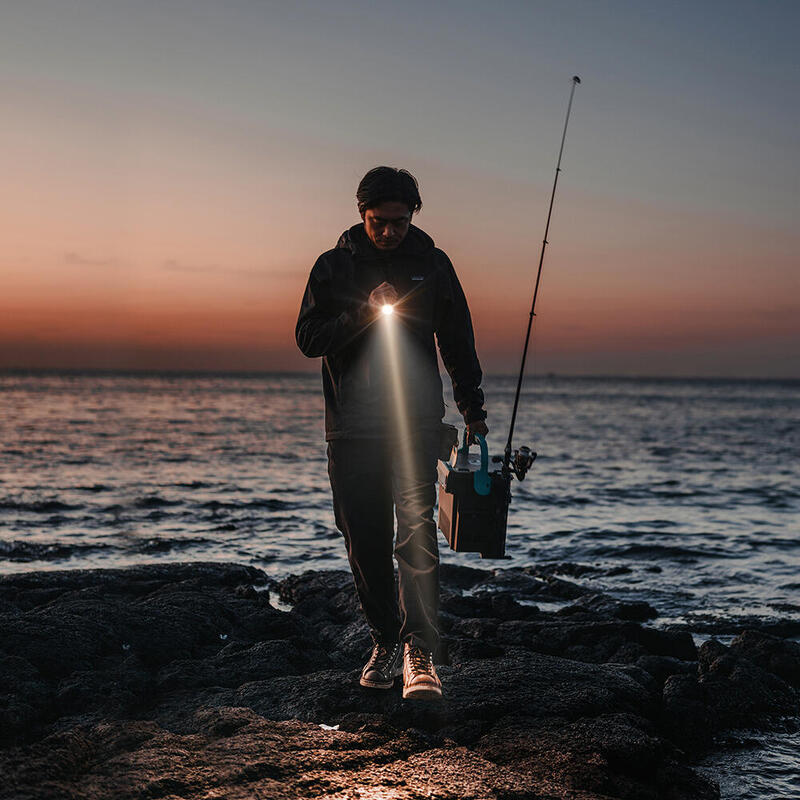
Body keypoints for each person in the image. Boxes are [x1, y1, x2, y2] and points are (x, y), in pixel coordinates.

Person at [295, 166, 488, 700]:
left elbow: (458, 341)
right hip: (351, 427)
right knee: (364, 541)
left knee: (417, 532)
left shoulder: (433, 263)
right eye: (379, 222)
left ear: (414, 216)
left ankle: (419, 651)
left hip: (415, 422)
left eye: (399, 222)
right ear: (362, 215)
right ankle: (384, 638)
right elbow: (308, 338)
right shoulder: (332, 267)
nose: (389, 232)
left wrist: (473, 408)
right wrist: (364, 310)